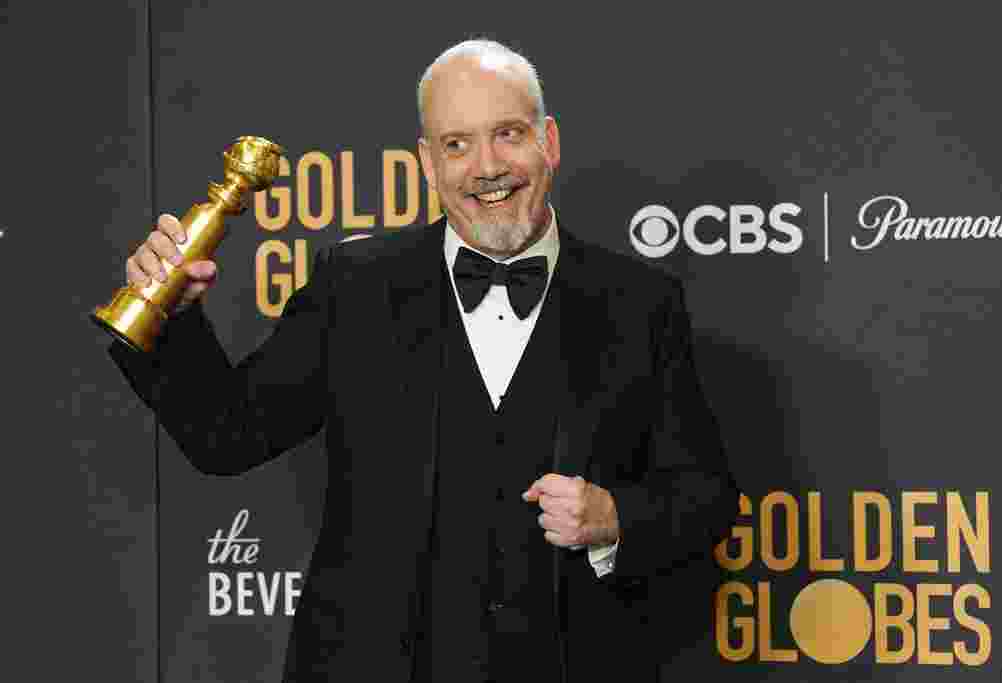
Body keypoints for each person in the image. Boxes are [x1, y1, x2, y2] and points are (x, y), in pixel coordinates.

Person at [110, 39, 738, 683]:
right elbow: (229, 437)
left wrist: (614, 520)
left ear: (548, 141)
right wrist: (171, 317)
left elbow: (705, 499)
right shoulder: (353, 286)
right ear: (428, 163)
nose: (486, 167)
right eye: (457, 144)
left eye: (508, 134)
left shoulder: (641, 304)